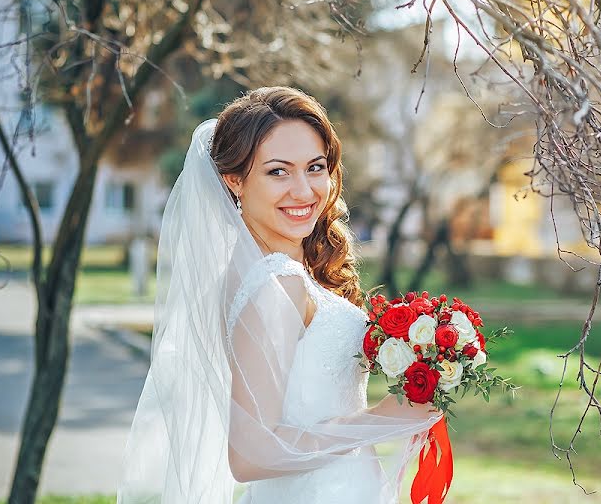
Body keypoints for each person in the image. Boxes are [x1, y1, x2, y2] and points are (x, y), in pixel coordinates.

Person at [117, 86, 442, 503]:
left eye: (315, 167)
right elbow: (251, 455)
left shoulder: (258, 275)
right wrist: (381, 419)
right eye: (277, 171)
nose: (304, 191)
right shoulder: (275, 283)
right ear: (234, 181)